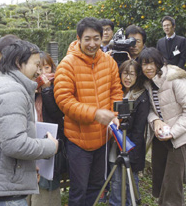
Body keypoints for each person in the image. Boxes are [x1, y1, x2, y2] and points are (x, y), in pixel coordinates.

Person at [0, 40, 59, 206]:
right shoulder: (12, 91)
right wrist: (50, 146)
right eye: (36, 65)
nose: (39, 71)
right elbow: (14, 144)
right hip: (2, 192)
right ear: (19, 63)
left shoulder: (5, 84)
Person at [54, 17, 123, 206]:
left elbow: (116, 92)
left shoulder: (109, 63)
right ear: (78, 38)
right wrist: (95, 113)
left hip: (103, 138)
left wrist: (114, 117)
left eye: (96, 38)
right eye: (87, 39)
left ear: (102, 39)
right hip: (79, 141)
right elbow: (64, 100)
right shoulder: (67, 64)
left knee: (97, 185)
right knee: (79, 189)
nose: (92, 44)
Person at [138, 47, 186, 206]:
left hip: (179, 136)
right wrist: (156, 121)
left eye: (152, 63)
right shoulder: (148, 82)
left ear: (160, 63)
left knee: (173, 180)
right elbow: (150, 109)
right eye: (145, 64)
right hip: (161, 135)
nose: (149, 67)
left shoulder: (175, 79)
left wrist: (173, 132)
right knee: (160, 176)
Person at [108, 60, 150, 206]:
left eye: (132, 74)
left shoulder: (142, 97)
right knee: (116, 181)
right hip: (115, 144)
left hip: (132, 146)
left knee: (130, 182)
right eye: (125, 73)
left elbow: (139, 130)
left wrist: (131, 154)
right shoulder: (116, 92)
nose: (128, 78)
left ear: (138, 75)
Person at [29, 52, 66, 206]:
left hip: (50, 140)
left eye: (47, 67)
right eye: (40, 68)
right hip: (30, 140)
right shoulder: (26, 86)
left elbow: (57, 113)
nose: (44, 73)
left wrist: (47, 90)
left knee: (47, 183)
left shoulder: (57, 85)